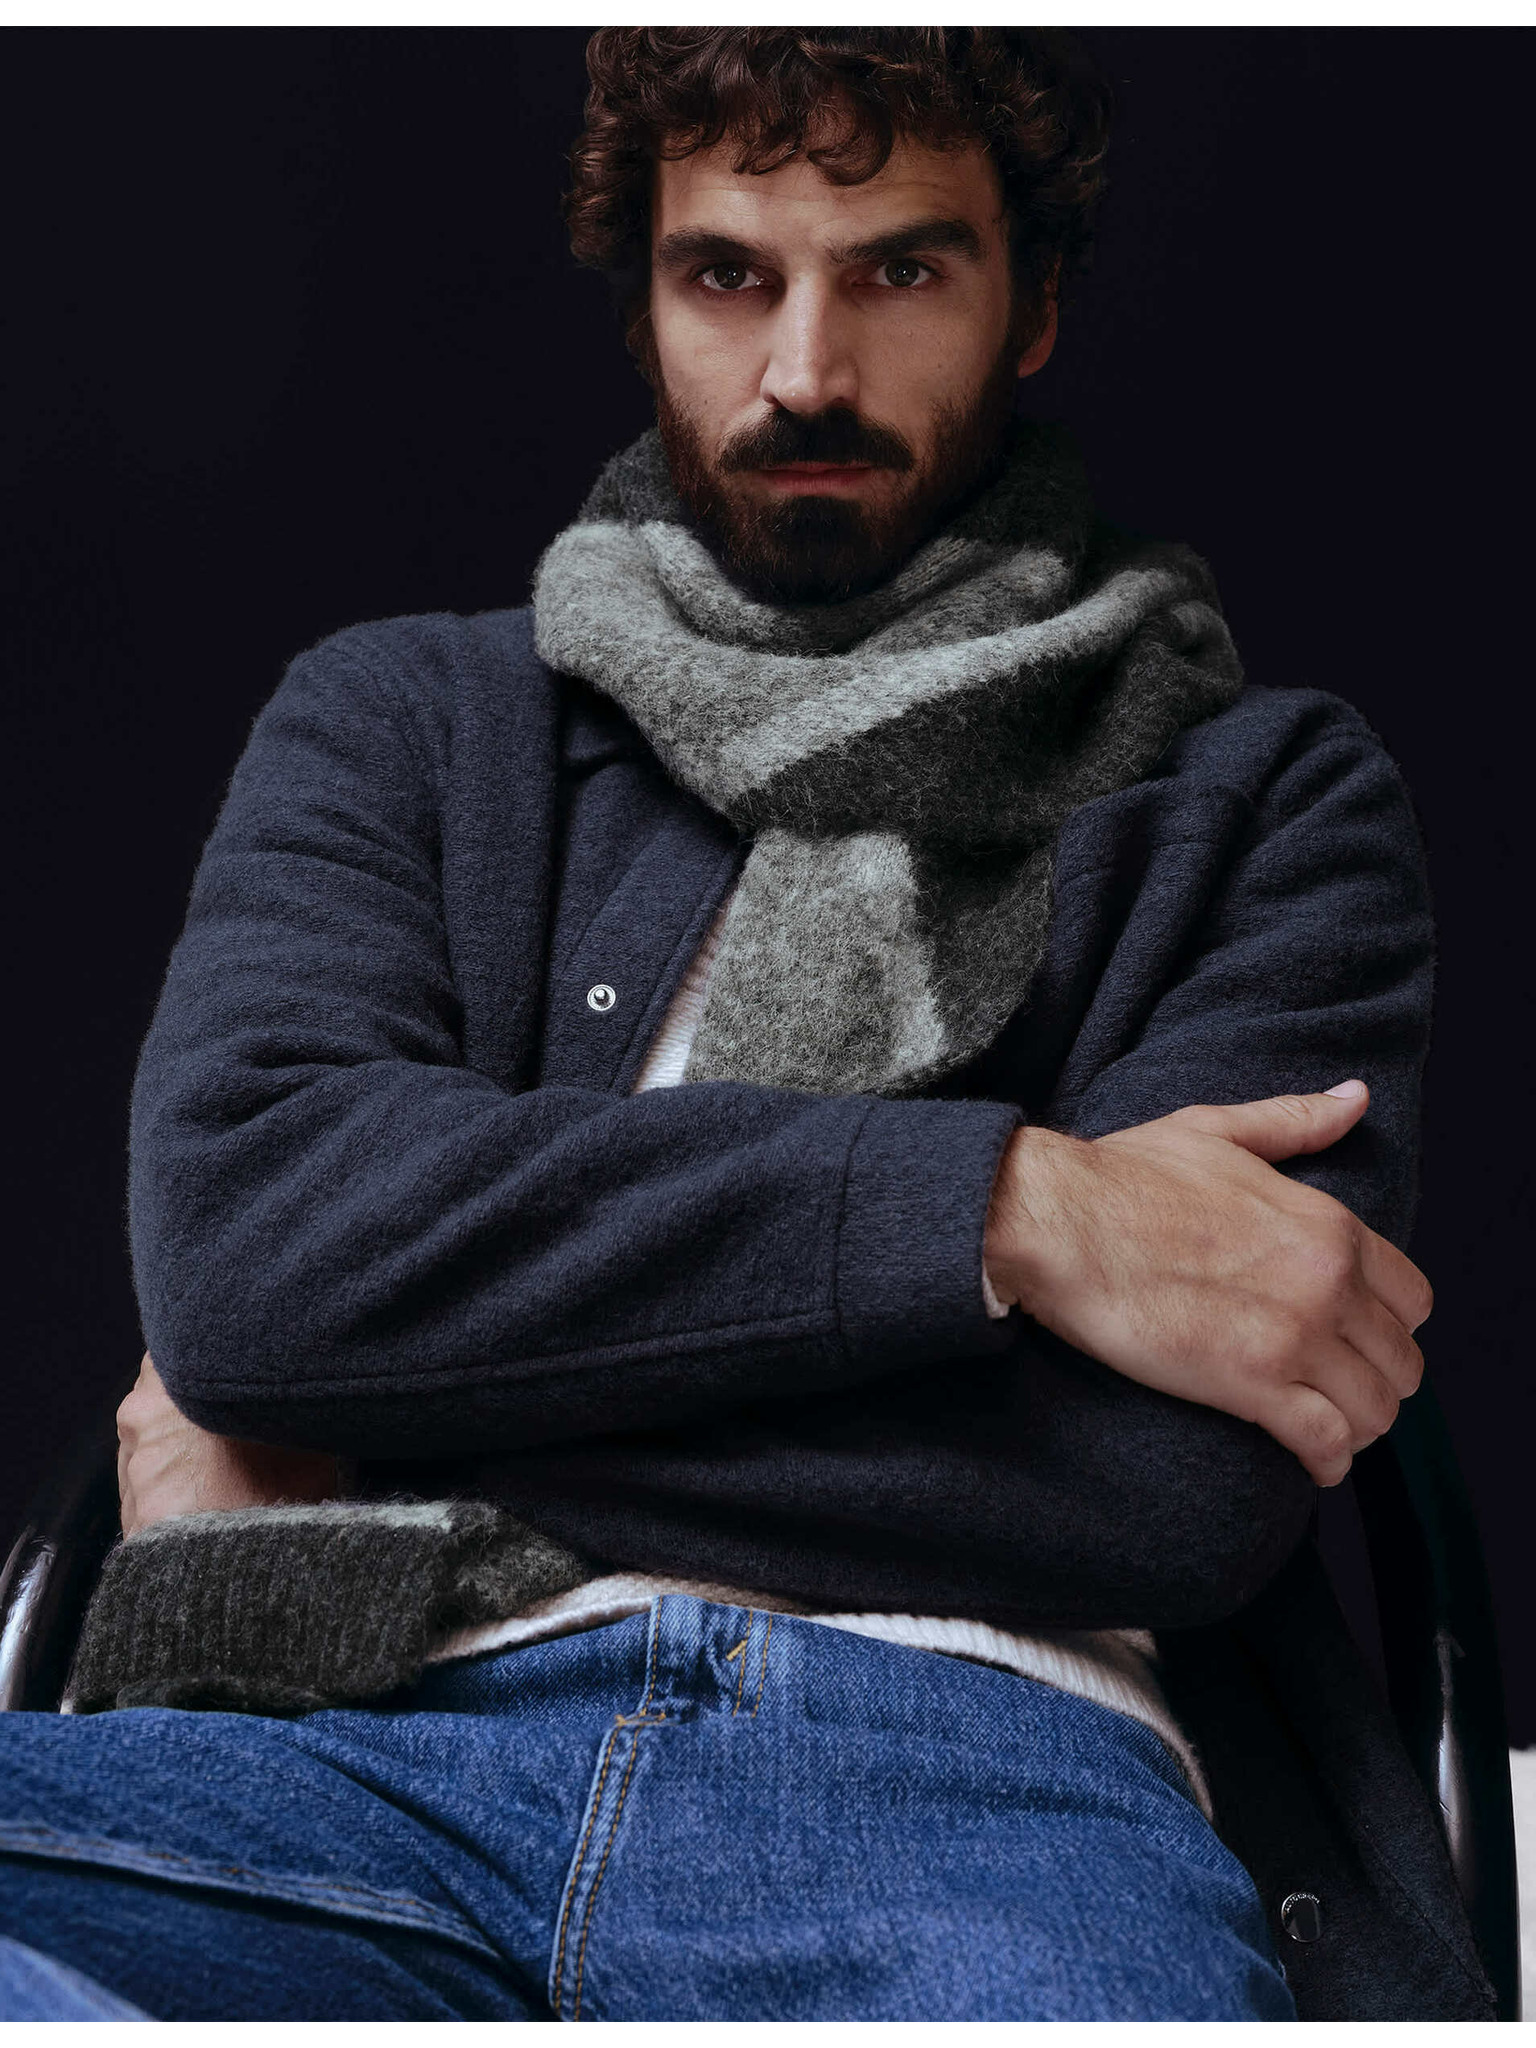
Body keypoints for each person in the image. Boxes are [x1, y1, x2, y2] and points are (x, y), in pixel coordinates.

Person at [0, 28, 1495, 2023]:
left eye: (901, 270)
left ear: (1034, 303)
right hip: (352, 1750)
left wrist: (380, 1421)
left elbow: (1176, 1485)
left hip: (979, 1794)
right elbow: (254, 1252)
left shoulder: (1266, 796)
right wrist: (1014, 1211)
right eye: (728, 273)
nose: (805, 369)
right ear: (644, 302)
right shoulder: (405, 721)